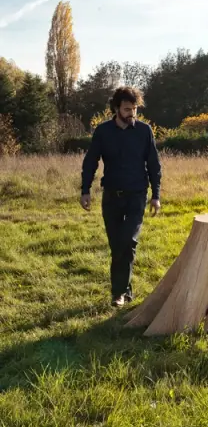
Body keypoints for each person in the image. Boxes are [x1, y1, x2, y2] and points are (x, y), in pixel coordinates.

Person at [80, 86, 162, 307]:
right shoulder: (103, 132)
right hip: (112, 197)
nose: (131, 114)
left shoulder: (145, 131)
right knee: (117, 246)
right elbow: (90, 161)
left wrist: (156, 195)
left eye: (134, 109)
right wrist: (85, 190)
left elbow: (154, 164)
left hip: (137, 196)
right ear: (116, 108)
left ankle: (118, 294)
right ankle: (124, 291)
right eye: (127, 109)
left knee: (128, 241)